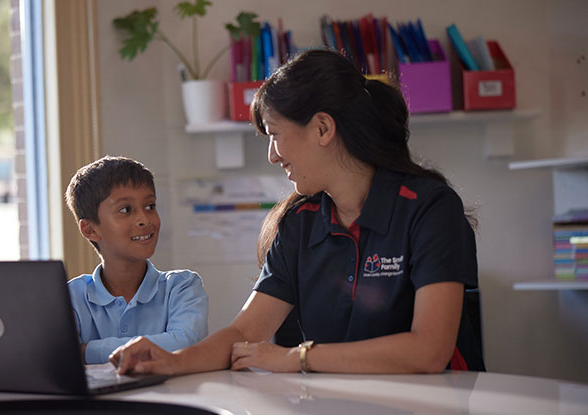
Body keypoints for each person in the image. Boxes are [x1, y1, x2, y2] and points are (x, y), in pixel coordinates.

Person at [109, 49, 485, 375]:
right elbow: (243, 334)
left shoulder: (431, 209)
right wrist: (173, 361)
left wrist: (298, 357)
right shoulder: (299, 223)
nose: (273, 155)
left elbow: (429, 351)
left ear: (322, 128)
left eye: (274, 133)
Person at [64, 155, 209, 364]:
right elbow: (60, 355)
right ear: (90, 229)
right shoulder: (71, 297)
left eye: (150, 206)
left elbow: (185, 343)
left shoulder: (182, 287)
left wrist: (87, 351)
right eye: (125, 210)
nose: (144, 219)